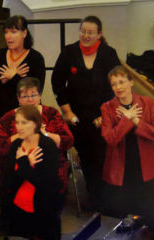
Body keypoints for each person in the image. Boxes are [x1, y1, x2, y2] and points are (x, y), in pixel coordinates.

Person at [52, 15, 120, 207]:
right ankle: (65, 191)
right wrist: (67, 111)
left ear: (99, 34)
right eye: (83, 31)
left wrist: (105, 115)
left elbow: (116, 86)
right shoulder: (69, 52)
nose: (86, 35)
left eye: (90, 32)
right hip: (75, 115)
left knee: (99, 157)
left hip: (101, 116)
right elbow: (57, 83)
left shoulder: (108, 53)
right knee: (77, 152)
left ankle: (99, 200)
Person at [0, 78, 74, 230]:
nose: (30, 99)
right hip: (18, 171)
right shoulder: (8, 118)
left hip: (48, 171)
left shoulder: (51, 114)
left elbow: (68, 140)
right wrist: (22, 132)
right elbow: (0, 147)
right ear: (18, 99)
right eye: (25, 96)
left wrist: (46, 134)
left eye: (34, 95)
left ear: (39, 96)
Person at [100, 66, 154, 222]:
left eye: (122, 82)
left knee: (150, 213)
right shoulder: (107, 107)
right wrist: (126, 119)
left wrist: (135, 120)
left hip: (144, 167)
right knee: (120, 215)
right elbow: (110, 139)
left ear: (132, 82)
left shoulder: (147, 103)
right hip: (120, 168)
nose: (118, 87)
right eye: (114, 84)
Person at [8, 105, 63, 240]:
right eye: (17, 123)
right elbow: (12, 181)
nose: (19, 127)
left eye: (24, 122)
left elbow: (46, 185)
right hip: (20, 209)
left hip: (43, 211)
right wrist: (28, 165)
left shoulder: (47, 146)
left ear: (36, 124)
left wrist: (25, 164)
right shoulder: (16, 145)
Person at [0, 15, 46, 130]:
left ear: (24, 33)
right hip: (1, 114)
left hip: (27, 116)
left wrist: (14, 77)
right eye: (6, 32)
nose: (8, 36)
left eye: (13, 32)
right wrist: (3, 79)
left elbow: (37, 89)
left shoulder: (35, 58)